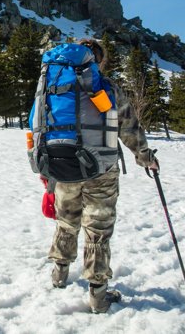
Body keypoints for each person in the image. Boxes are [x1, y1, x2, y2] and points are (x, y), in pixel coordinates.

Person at [44, 38, 159, 313]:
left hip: (63, 165)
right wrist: (146, 158)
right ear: (98, 60)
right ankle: (98, 295)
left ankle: (59, 274)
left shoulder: (53, 84)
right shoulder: (106, 88)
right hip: (102, 169)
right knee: (97, 230)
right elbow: (128, 127)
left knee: (66, 220)